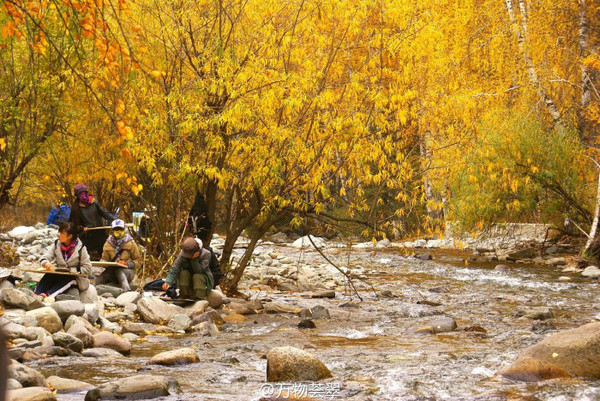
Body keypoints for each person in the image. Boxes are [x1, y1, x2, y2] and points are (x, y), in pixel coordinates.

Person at [36, 222, 92, 298]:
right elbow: (45, 257)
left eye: (61, 233)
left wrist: (72, 270)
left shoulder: (81, 248)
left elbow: (88, 268)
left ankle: (47, 296)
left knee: (69, 278)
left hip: (74, 278)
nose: (58, 234)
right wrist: (46, 263)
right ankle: (36, 294)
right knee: (49, 274)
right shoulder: (57, 244)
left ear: (69, 236)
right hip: (59, 274)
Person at [68, 183, 116, 260]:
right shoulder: (76, 208)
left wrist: (115, 220)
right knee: (86, 259)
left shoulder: (94, 203)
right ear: (77, 196)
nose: (84, 195)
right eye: (81, 194)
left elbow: (104, 213)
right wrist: (81, 229)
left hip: (100, 233)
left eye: (85, 193)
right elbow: (72, 225)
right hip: (87, 237)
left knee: (108, 254)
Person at [96, 219, 140, 291]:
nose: (119, 232)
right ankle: (92, 289)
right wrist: (103, 262)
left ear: (124, 229)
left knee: (120, 270)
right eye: (116, 229)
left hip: (127, 272)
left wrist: (127, 264)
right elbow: (104, 259)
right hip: (112, 271)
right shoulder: (108, 243)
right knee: (103, 275)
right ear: (112, 231)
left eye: (121, 229)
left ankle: (127, 291)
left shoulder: (131, 242)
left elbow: (138, 261)